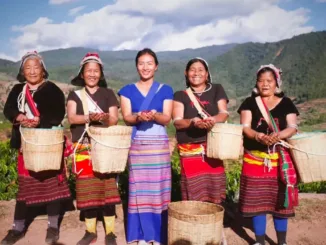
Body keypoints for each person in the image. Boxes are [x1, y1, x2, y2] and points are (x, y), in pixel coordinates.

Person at [1, 51, 71, 245]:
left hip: (47, 144)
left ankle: (53, 226)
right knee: (25, 186)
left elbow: (58, 113)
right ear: (22, 71)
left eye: (36, 67)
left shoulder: (53, 90)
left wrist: (40, 120)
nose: (32, 71)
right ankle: (17, 228)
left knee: (51, 185)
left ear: (43, 70)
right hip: (27, 145)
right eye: (27, 67)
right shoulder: (17, 90)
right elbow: (9, 110)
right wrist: (21, 117)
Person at [237, 64, 299, 245]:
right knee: (257, 204)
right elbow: (245, 127)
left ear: (276, 83)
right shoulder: (249, 103)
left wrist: (277, 136)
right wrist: (258, 136)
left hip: (279, 160)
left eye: (269, 81)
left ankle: (282, 242)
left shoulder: (286, 103)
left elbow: (292, 127)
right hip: (254, 159)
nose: (265, 84)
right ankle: (259, 241)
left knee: (280, 203)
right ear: (256, 83)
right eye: (261, 80)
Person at [118, 48, 173, 245]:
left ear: (156, 66)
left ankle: (158, 235)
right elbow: (126, 118)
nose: (145, 67)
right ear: (136, 66)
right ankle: (141, 235)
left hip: (159, 147)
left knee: (158, 189)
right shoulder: (126, 91)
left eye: (150, 63)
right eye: (141, 63)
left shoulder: (166, 89)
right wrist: (139, 117)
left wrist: (155, 116)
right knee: (138, 190)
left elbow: (167, 118)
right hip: (138, 146)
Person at [66, 52, 121, 245]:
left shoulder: (108, 94)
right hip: (83, 146)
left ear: (101, 73)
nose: (92, 74)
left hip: (105, 147)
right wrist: (90, 117)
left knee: (108, 188)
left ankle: (110, 232)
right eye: (88, 70)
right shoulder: (75, 95)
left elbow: (114, 118)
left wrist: (103, 117)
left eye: (95, 70)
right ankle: (90, 232)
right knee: (86, 188)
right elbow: (72, 118)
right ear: (82, 74)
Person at [172, 57, 229, 204]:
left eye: (200, 70)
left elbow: (223, 113)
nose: (196, 73)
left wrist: (213, 120)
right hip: (190, 150)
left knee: (214, 188)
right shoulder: (180, 95)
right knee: (193, 191)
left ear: (207, 74)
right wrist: (192, 122)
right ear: (186, 73)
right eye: (192, 70)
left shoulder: (217, 89)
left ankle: (214, 220)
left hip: (213, 148)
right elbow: (177, 121)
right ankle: (194, 222)